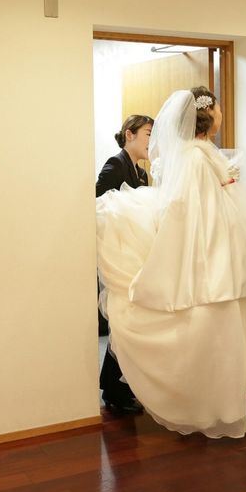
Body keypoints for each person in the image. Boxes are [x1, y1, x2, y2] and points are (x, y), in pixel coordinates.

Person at [96, 88, 246, 438]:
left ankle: (218, 407)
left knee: (220, 335)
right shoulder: (195, 158)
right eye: (219, 109)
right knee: (210, 333)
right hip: (209, 254)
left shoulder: (201, 154)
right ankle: (206, 409)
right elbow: (187, 207)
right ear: (208, 115)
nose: (222, 113)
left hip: (220, 251)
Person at [96, 114, 154, 413]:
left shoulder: (142, 174)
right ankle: (114, 390)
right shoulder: (114, 165)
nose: (151, 141)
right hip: (118, 256)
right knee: (122, 320)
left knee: (129, 321)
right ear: (129, 135)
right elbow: (97, 204)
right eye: (148, 134)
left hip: (135, 255)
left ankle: (118, 385)